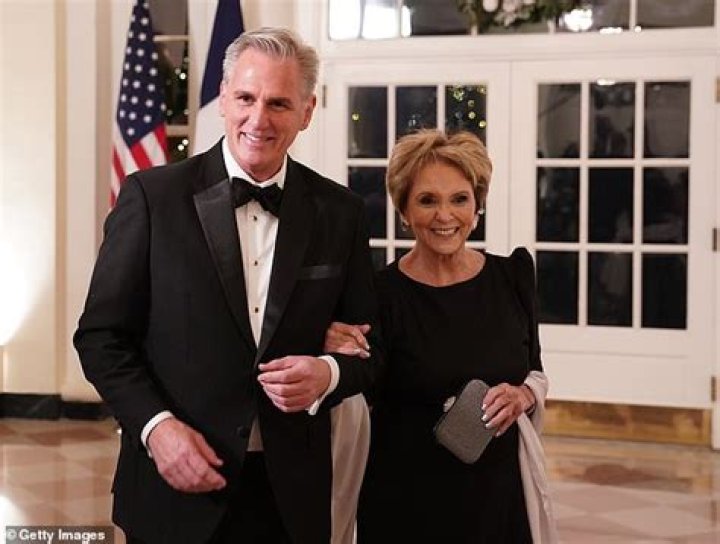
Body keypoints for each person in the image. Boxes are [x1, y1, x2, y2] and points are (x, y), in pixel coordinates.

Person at [74, 27, 382, 544]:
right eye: (245, 98)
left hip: (290, 497)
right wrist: (157, 429)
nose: (258, 119)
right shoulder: (152, 197)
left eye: (279, 103)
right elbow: (101, 338)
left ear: (307, 112)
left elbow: (373, 349)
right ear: (222, 98)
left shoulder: (341, 213)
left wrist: (328, 372)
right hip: (173, 485)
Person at [325, 129, 558, 543]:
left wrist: (523, 396)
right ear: (403, 210)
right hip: (406, 501)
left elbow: (534, 372)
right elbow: (355, 392)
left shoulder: (513, 276)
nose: (445, 216)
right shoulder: (377, 295)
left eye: (459, 199)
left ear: (477, 205)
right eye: (427, 200)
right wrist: (329, 346)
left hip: (499, 497)